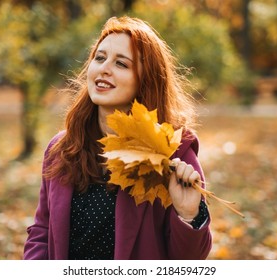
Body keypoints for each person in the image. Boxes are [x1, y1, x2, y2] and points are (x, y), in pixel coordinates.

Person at [24, 16, 212, 260]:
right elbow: (42, 231)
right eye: (99, 58)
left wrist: (188, 214)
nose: (104, 68)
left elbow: (188, 261)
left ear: (145, 80)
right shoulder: (61, 148)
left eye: (121, 64)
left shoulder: (172, 153)